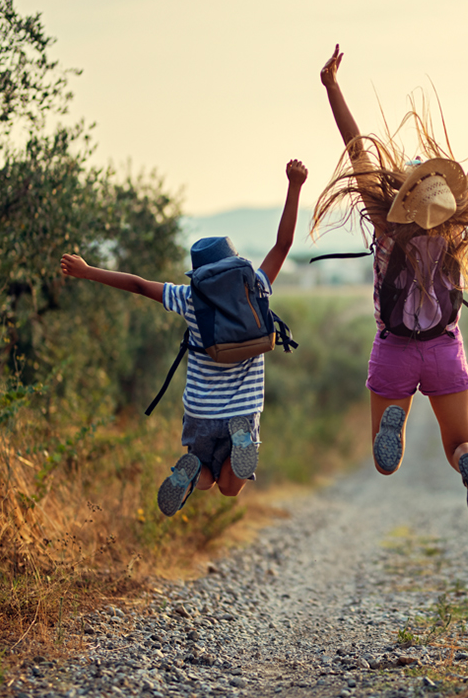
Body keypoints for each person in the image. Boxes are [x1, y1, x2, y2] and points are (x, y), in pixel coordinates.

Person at [312, 44, 468, 526]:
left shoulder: (386, 227)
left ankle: (395, 426)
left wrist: (333, 88)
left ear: (398, 194)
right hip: (444, 349)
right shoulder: (456, 227)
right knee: (459, 442)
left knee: (383, 462)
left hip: (395, 346)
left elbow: (357, 148)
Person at [60, 159, 307, 516]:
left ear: (199, 274)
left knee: (204, 474)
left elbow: (137, 284)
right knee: (230, 488)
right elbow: (283, 245)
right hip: (243, 408)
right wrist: (294, 186)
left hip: (200, 411)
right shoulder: (255, 288)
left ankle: (190, 475)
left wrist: (87, 271)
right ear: (233, 264)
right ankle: (241, 438)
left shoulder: (189, 298)